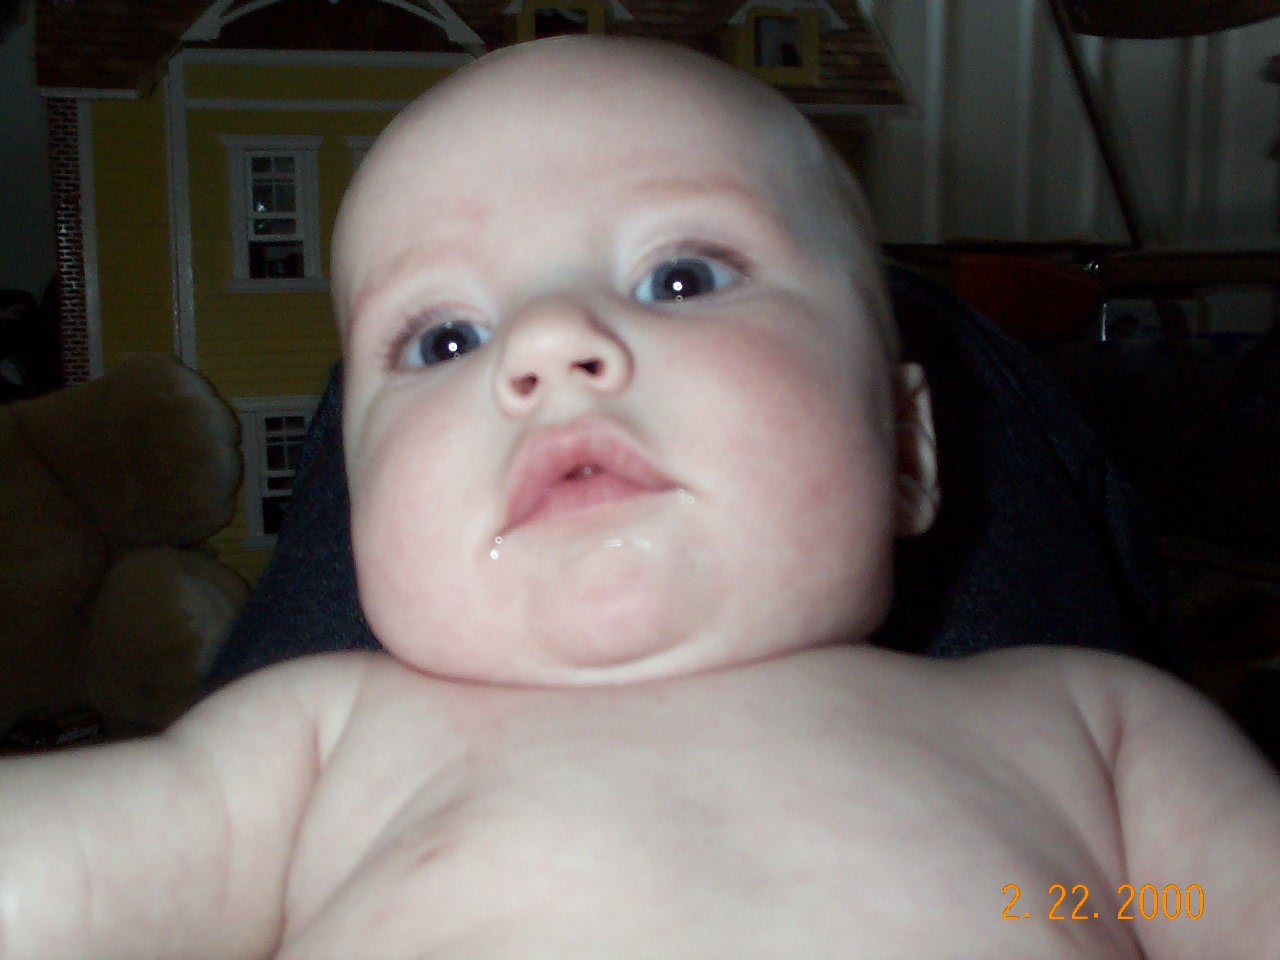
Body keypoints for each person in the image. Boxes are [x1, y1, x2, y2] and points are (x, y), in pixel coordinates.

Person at [1, 35, 1276, 960]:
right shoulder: (318, 749)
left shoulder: (1077, 731)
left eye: (679, 278)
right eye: (443, 339)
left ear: (903, 447)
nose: (546, 343)